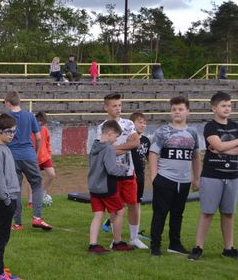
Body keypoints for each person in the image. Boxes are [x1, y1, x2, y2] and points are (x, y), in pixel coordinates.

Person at [148, 97, 200, 257]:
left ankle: (175, 244)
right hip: (165, 179)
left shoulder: (192, 132)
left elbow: (196, 156)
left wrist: (196, 178)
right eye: (174, 109)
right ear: (171, 112)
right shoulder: (163, 131)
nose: (177, 112)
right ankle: (155, 246)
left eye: (181, 109)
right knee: (160, 213)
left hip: (184, 181)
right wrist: (154, 177)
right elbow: (153, 153)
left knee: (178, 214)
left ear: (188, 112)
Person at [189, 91, 238, 261]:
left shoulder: (235, 126)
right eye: (223, 105)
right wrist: (223, 147)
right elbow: (217, 145)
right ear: (214, 108)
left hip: (233, 175)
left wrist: (223, 147)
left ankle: (229, 248)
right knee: (207, 213)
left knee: (228, 213)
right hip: (212, 175)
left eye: (229, 105)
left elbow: (221, 147)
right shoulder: (210, 127)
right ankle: (198, 247)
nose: (227, 108)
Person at [96, 93, 147, 250]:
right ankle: (116, 238)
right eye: (114, 106)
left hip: (128, 172)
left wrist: (113, 148)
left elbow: (136, 143)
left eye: (119, 105)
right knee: (115, 208)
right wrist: (120, 148)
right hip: (111, 173)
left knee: (133, 204)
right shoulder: (102, 127)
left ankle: (133, 237)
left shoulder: (128, 123)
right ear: (106, 107)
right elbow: (103, 151)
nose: (118, 108)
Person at [5, 91, 52, 231]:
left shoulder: (5, 117)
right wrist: (35, 153)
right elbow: (38, 137)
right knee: (36, 185)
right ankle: (37, 218)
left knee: (15, 189)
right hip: (29, 155)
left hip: (12, 156)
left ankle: (17, 224)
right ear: (18, 102)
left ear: (8, 103)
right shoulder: (30, 116)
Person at [0, 113, 22, 280]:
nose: (11, 134)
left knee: (4, 235)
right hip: (3, 200)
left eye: (13, 131)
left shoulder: (5, 148)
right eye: (8, 131)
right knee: (0, 236)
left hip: (9, 197)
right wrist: (7, 199)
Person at [87, 120, 130, 254]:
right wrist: (123, 169)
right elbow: (111, 170)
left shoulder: (94, 145)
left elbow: (98, 165)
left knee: (98, 215)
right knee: (119, 212)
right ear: (110, 134)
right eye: (116, 137)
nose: (115, 141)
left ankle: (92, 245)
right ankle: (117, 242)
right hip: (107, 187)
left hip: (94, 187)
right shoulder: (109, 148)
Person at [29, 111, 55, 206]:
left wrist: (49, 153)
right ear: (36, 121)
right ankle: (31, 200)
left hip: (45, 157)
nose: (42, 125)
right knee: (32, 179)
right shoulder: (30, 130)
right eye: (41, 123)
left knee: (51, 174)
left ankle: (42, 193)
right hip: (33, 158)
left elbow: (48, 143)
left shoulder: (45, 130)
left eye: (43, 124)